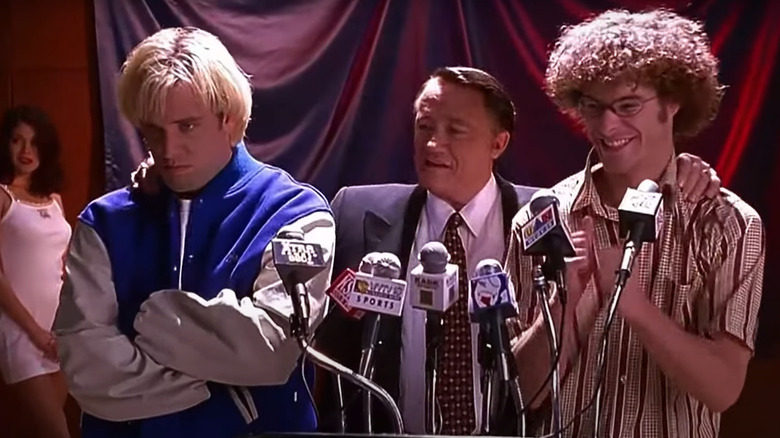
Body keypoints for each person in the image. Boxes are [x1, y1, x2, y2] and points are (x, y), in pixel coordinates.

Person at [312, 66, 723, 435]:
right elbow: (327, 358)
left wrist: (682, 167)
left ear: (498, 143)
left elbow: (631, 178)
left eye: (455, 130)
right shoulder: (356, 211)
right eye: (424, 127)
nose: (433, 143)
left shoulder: (548, 216)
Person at [53, 26, 335, 438]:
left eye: (186, 126)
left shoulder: (295, 213)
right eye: (152, 129)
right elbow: (86, 366)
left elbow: (270, 353)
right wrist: (219, 378)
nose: (167, 150)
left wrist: (153, 321)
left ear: (230, 119)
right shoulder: (105, 221)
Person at [505, 9, 765, 438]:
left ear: (673, 100)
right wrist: (562, 307)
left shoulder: (727, 223)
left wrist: (635, 307)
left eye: (628, 105)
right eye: (593, 106)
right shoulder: (541, 218)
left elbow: (722, 390)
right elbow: (519, 396)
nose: (607, 125)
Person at [0, 105, 71, 438]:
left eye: (34, 142)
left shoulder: (54, 199)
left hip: (61, 334)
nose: (26, 151)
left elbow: (63, 268)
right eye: (17, 141)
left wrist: (68, 326)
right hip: (21, 332)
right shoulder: (2, 198)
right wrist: (34, 332)